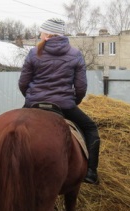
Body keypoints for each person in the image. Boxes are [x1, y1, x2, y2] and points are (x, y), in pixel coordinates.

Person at [18, 18, 100, 185]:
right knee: (90, 128)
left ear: (47, 34)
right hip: (64, 105)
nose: (40, 34)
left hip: (33, 104)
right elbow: (81, 87)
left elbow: (23, 83)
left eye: (41, 31)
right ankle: (91, 172)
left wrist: (31, 98)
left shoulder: (34, 53)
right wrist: (72, 102)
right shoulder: (75, 54)